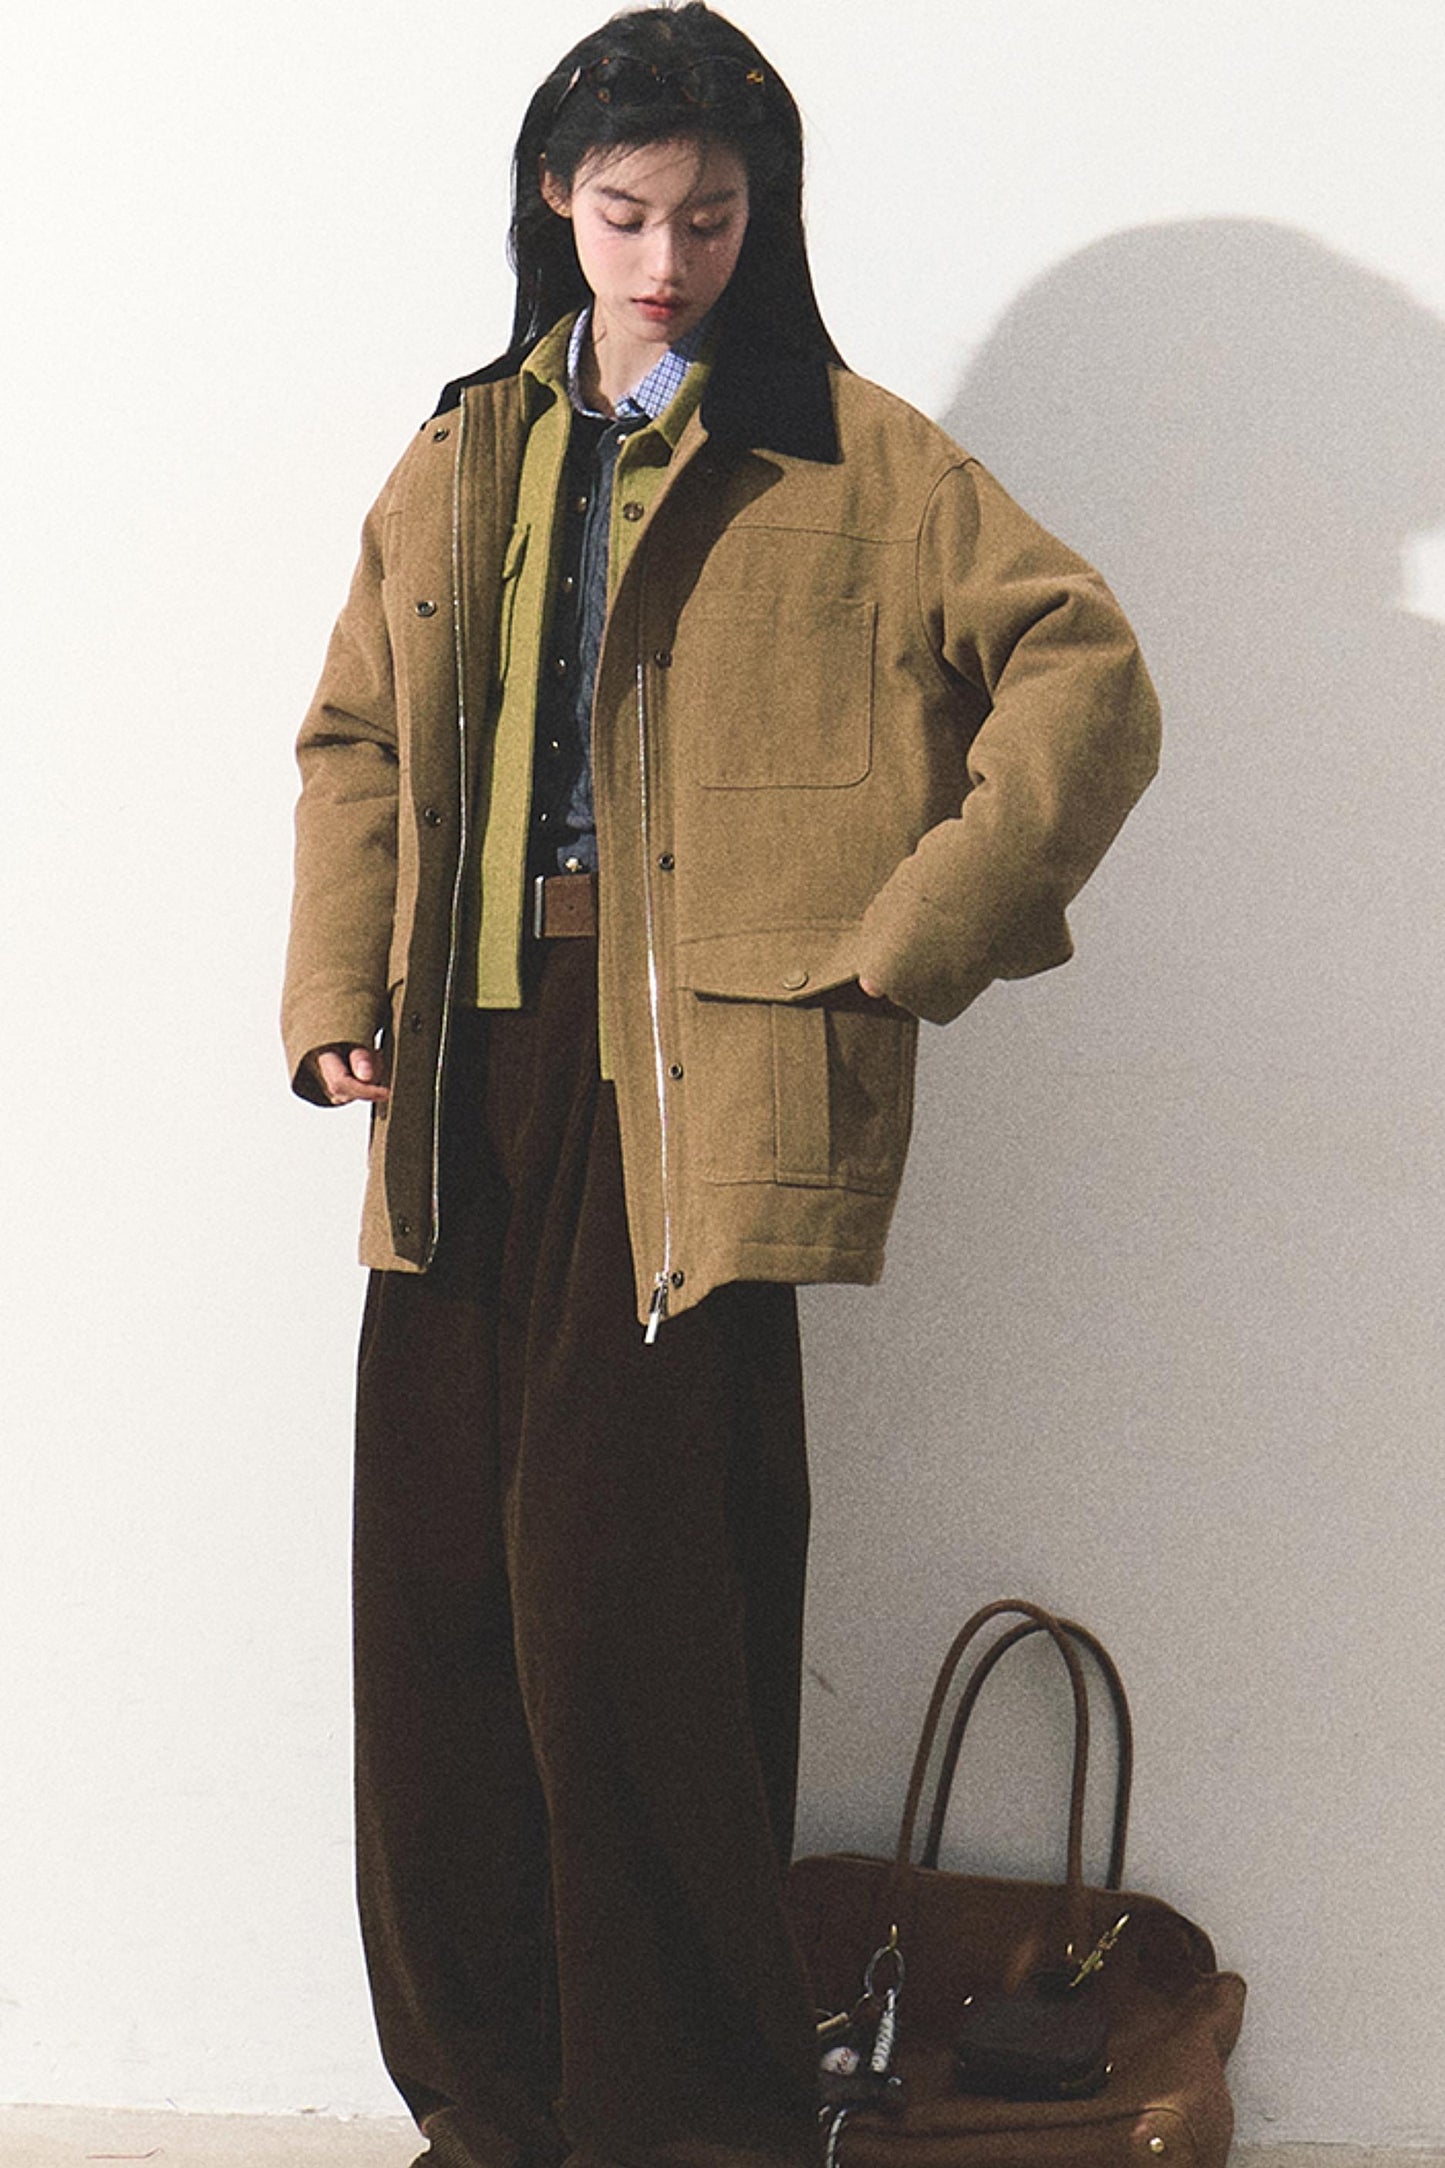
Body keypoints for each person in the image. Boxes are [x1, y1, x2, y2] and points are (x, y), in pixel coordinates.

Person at [280, 8, 1161, 2167]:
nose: (668, 260)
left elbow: (1084, 671)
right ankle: (488, 2101)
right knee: (438, 1607)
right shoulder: (464, 448)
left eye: (711, 217)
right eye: (626, 215)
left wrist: (918, 932)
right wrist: (333, 990)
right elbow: (359, 735)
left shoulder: (853, 456)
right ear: (554, 207)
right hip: (459, 1077)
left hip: (702, 1081)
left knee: (630, 1611)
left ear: (768, 220)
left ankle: (679, 2114)